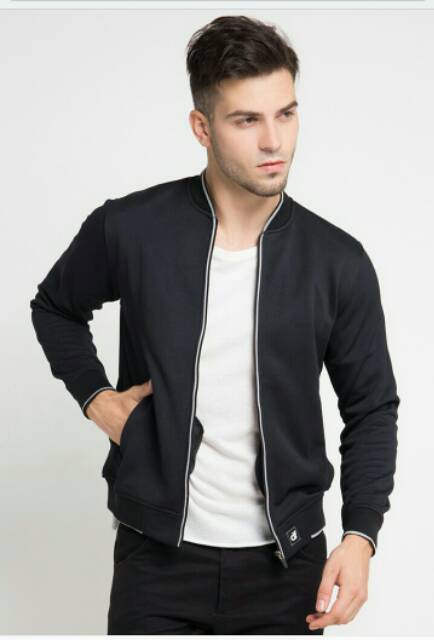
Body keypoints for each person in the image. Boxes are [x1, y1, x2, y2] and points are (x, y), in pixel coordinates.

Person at [30, 14, 400, 635]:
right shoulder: (133, 229)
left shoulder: (336, 261)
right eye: (246, 120)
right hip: (156, 563)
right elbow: (55, 307)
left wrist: (361, 536)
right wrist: (97, 399)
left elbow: (371, 406)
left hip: (289, 568)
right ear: (202, 128)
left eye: (286, 114)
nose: (274, 141)